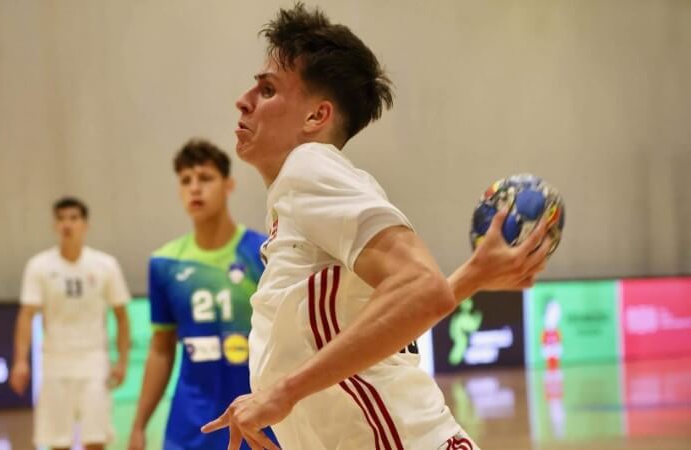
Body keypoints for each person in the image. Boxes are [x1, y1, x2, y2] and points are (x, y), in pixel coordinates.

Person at [202, 4, 553, 449]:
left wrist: (282, 393)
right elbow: (384, 322)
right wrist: (470, 277)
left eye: (267, 89)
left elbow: (421, 289)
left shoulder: (308, 168)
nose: (244, 99)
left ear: (316, 117)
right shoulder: (299, 198)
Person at [129, 140, 276, 450]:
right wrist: (139, 424)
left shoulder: (263, 252)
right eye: (186, 181)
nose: (195, 188)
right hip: (191, 425)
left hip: (258, 418)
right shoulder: (165, 263)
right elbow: (161, 350)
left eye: (205, 178)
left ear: (228, 185)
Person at [10, 197, 131, 450]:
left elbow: (121, 315)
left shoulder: (105, 265)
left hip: (93, 360)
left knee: (95, 439)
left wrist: (122, 361)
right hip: (55, 362)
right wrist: (21, 361)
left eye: (74, 218)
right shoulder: (39, 266)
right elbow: (27, 314)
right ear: (54, 225)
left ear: (85, 224)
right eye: (61, 219)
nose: (67, 224)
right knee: (58, 441)